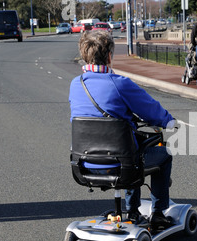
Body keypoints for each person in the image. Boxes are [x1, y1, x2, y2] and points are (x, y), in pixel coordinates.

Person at [68, 30, 175, 228]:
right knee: (162, 153)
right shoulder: (120, 84)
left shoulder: (76, 85)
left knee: (130, 148)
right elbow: (151, 110)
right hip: (122, 165)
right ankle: (158, 212)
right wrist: (168, 121)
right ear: (109, 56)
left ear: (84, 55)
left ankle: (132, 211)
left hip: (84, 163)